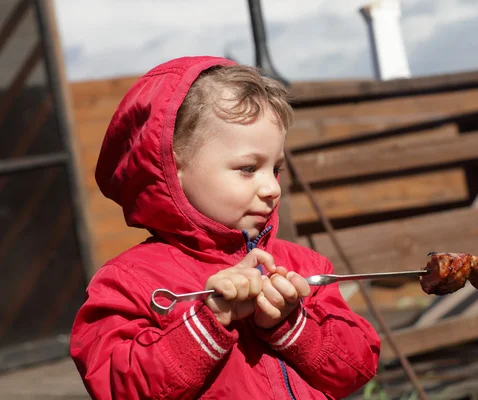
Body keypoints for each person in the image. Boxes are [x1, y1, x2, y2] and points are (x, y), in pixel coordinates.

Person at [70, 55, 380, 400]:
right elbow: (118, 386)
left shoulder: (305, 270)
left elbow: (357, 368)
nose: (272, 188)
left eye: (275, 169)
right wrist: (208, 321)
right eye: (248, 168)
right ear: (172, 167)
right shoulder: (129, 282)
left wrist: (290, 323)